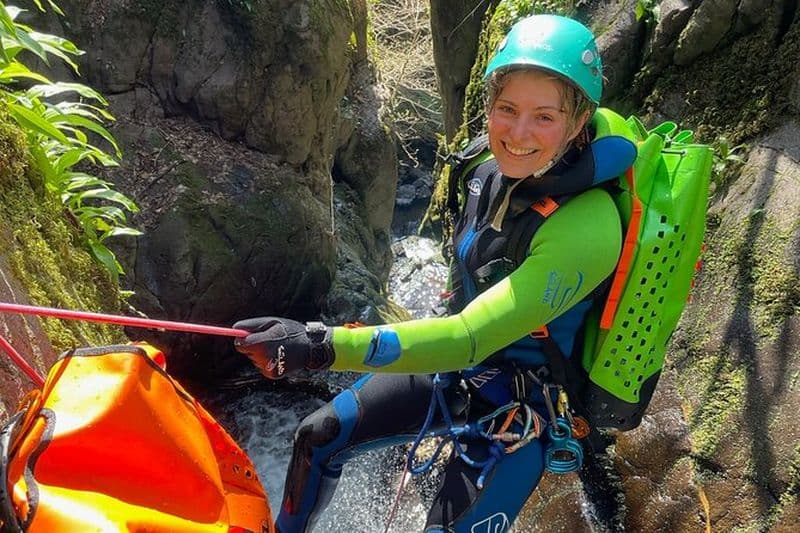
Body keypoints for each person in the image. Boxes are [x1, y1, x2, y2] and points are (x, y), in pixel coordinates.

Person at [234, 14, 636, 533]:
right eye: (507, 109)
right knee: (319, 434)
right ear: (488, 105)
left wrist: (320, 345)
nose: (517, 133)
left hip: (518, 412)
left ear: (578, 122)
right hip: (454, 371)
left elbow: (470, 337)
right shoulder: (485, 172)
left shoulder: (588, 227)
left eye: (544, 117)